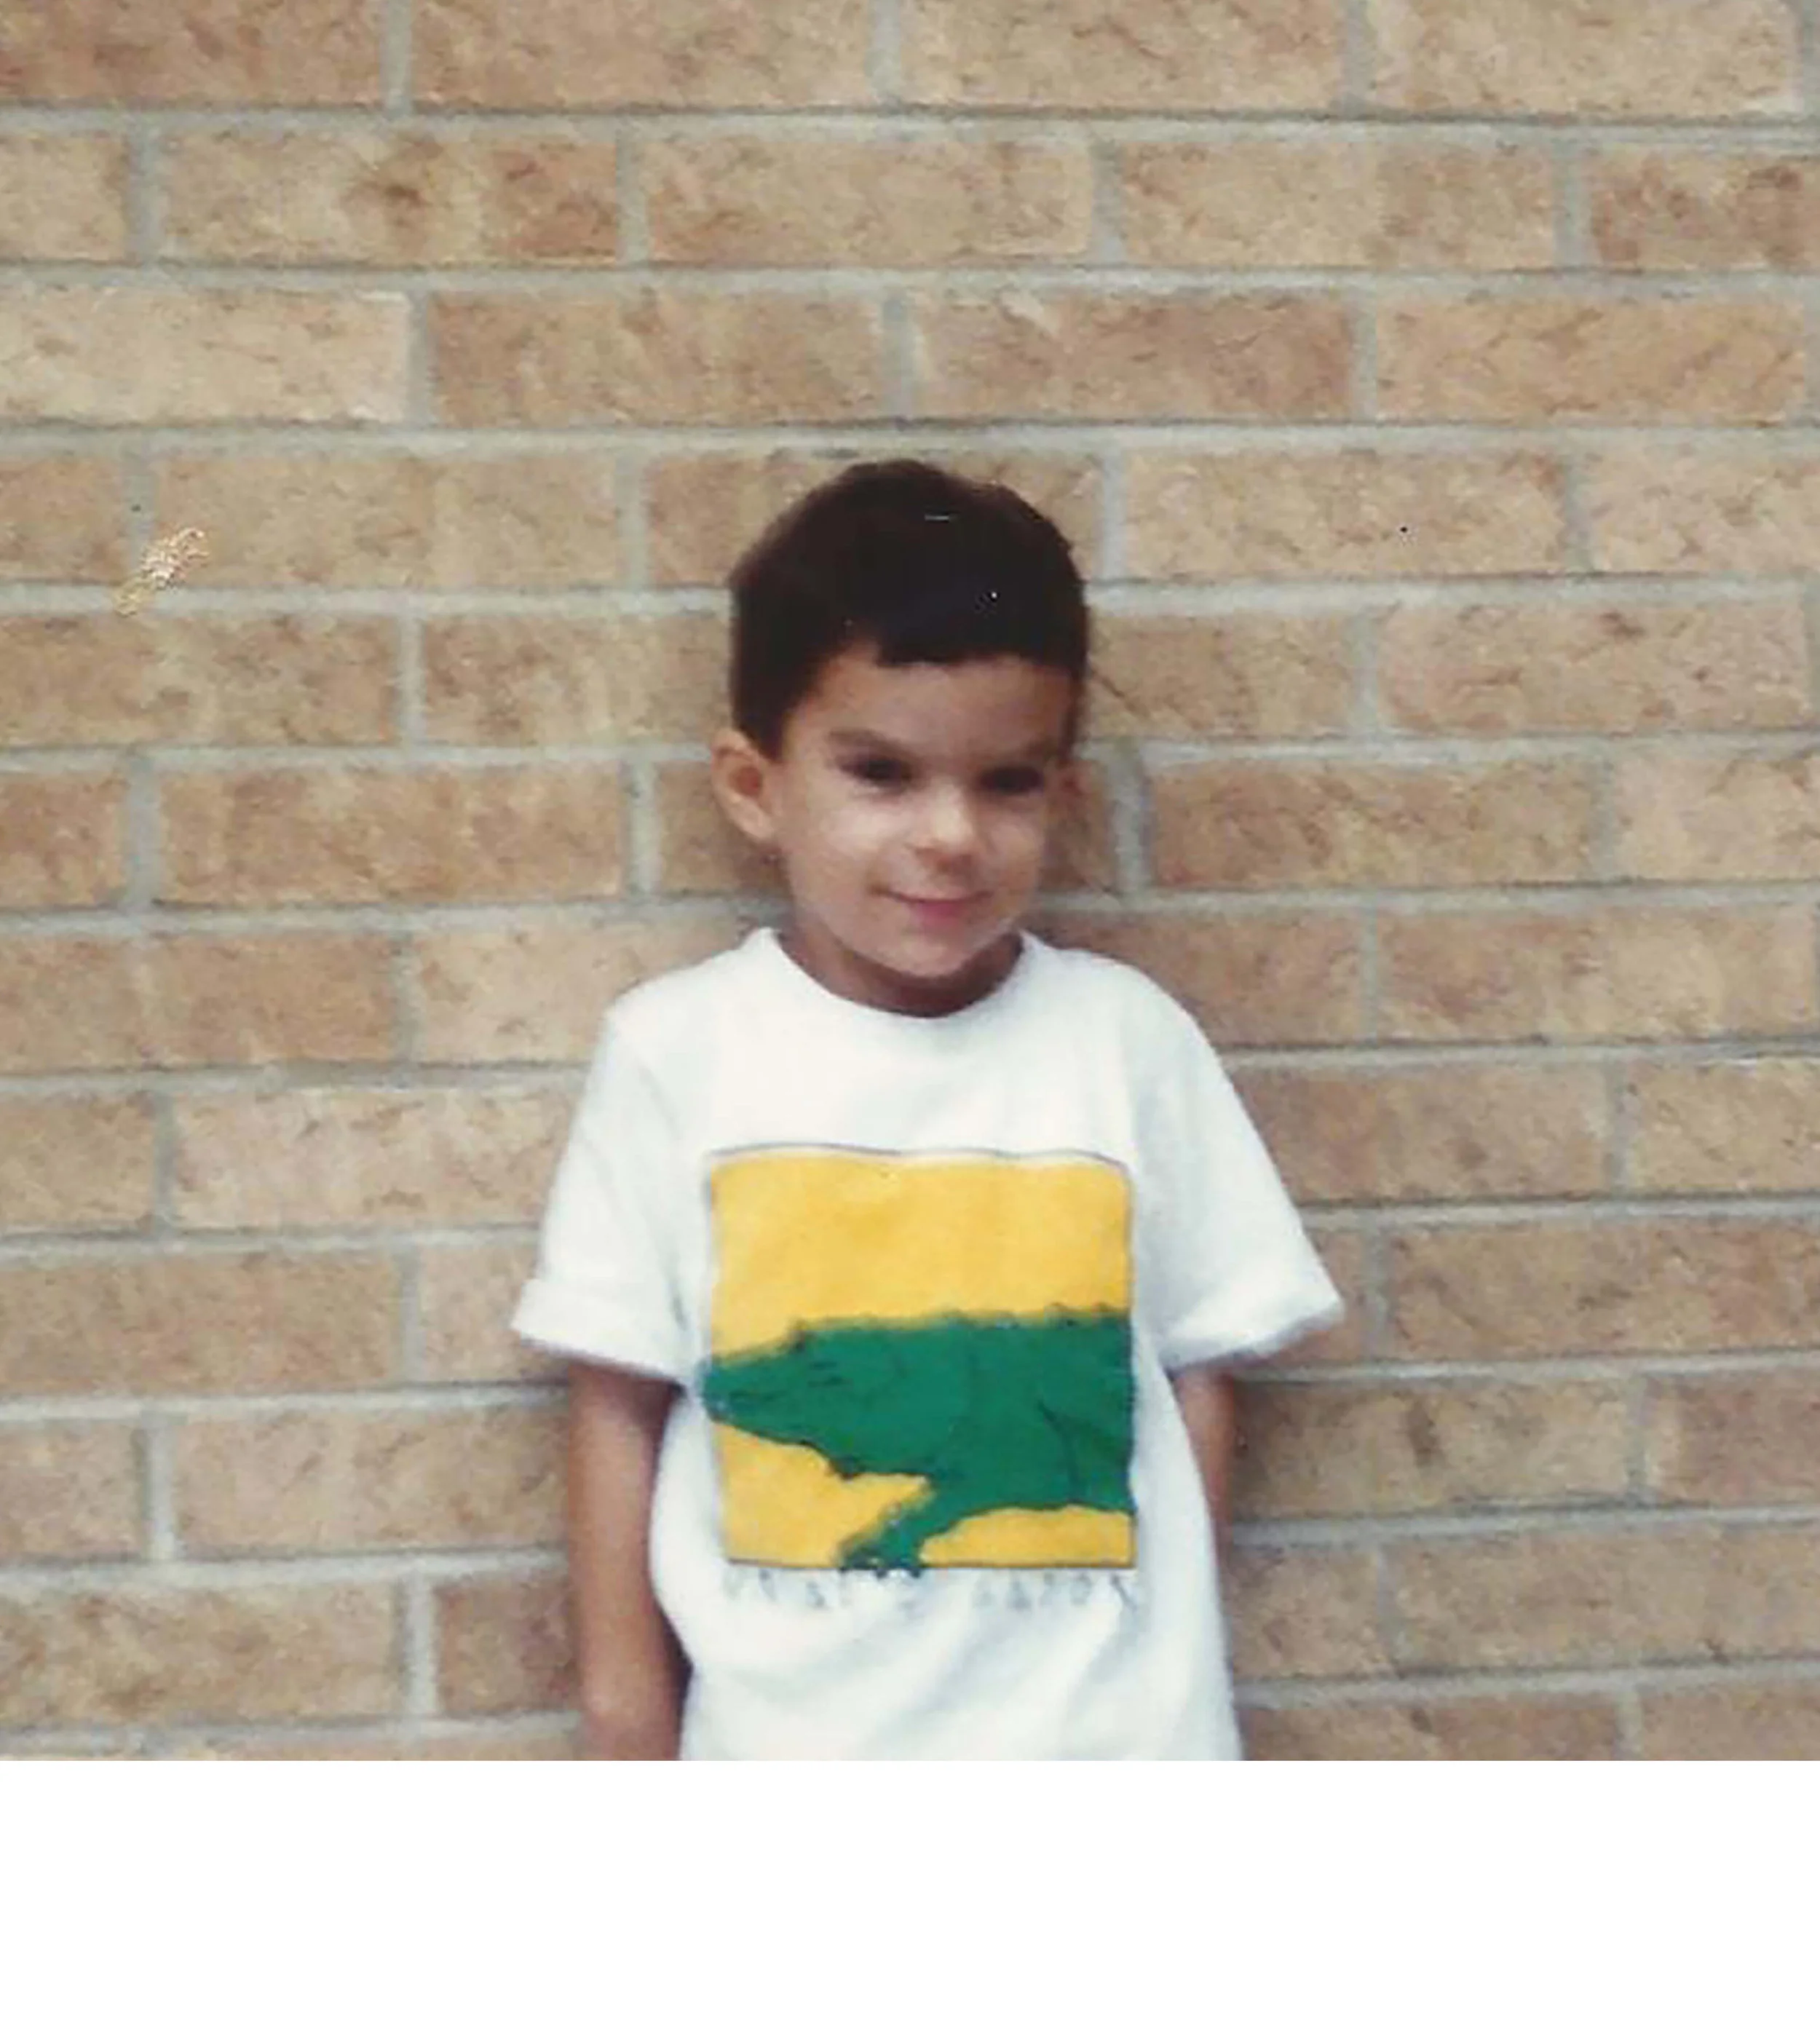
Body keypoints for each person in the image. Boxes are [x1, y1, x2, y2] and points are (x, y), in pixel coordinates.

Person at [513, 458, 1340, 1759]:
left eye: (1006, 781)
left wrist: (1161, 1664)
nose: (950, 833)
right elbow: (618, 1396)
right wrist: (626, 1708)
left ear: (1065, 792)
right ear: (754, 786)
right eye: (883, 772)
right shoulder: (679, 1051)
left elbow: (1201, 1366)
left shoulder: (1126, 1041)